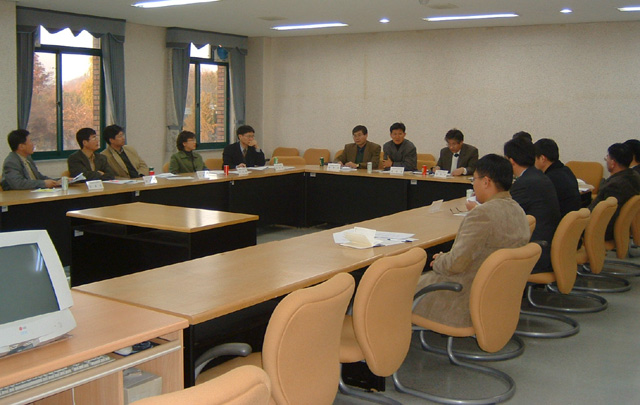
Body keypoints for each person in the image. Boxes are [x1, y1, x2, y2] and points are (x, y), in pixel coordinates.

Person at [413, 154, 530, 328]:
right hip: (494, 297)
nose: (473, 185)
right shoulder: (518, 210)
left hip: (461, 298)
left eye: (474, 179)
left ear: (486, 182)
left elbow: (456, 264)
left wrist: (439, 260)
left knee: (396, 286)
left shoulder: (482, 214)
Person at [504, 137, 560, 274]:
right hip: (546, 244)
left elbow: (504, 214)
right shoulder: (539, 176)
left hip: (536, 251)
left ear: (511, 161)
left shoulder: (525, 183)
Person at [589, 143, 640, 240]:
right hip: (617, 227)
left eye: (607, 158)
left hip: (601, 229)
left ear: (613, 163)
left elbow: (602, 214)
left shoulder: (615, 186)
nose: (606, 161)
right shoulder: (633, 176)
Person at [534, 138, 581, 218]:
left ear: (542, 159)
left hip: (558, 221)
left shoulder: (548, 179)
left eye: (534, 158)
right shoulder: (566, 170)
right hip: (572, 221)